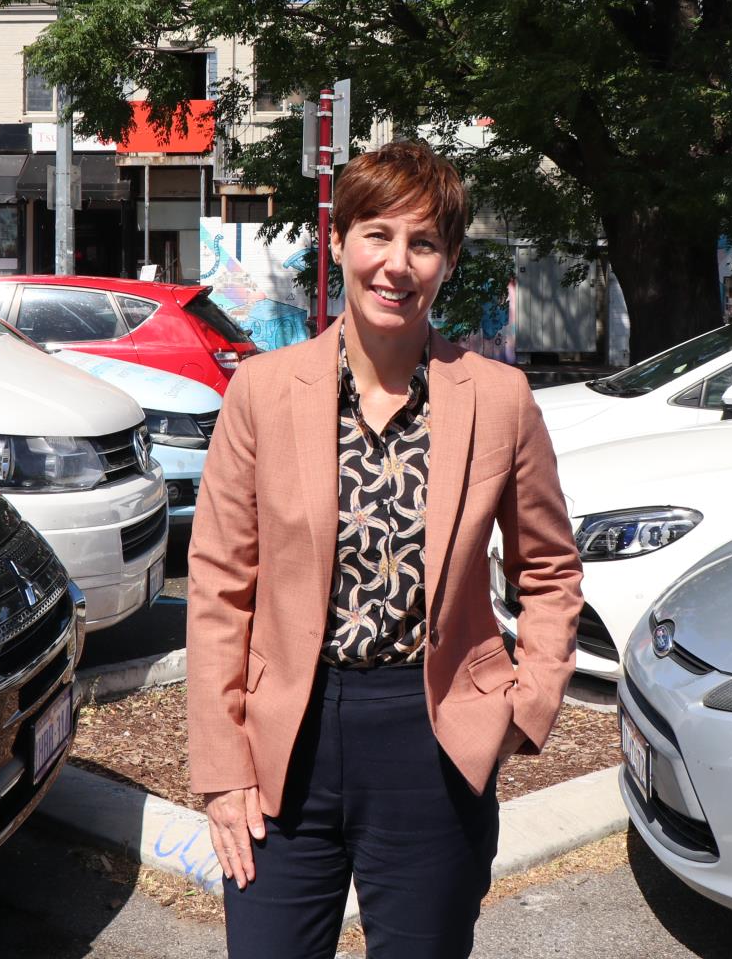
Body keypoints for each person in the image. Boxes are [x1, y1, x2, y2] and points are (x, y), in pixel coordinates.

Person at [187, 140, 582, 958]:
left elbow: (546, 567)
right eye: (378, 235)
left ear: (449, 261)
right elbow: (220, 584)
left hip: (431, 739)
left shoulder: (498, 400)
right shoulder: (263, 391)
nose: (397, 264)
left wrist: (527, 703)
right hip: (284, 737)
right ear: (340, 240)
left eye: (424, 242)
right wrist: (223, 767)